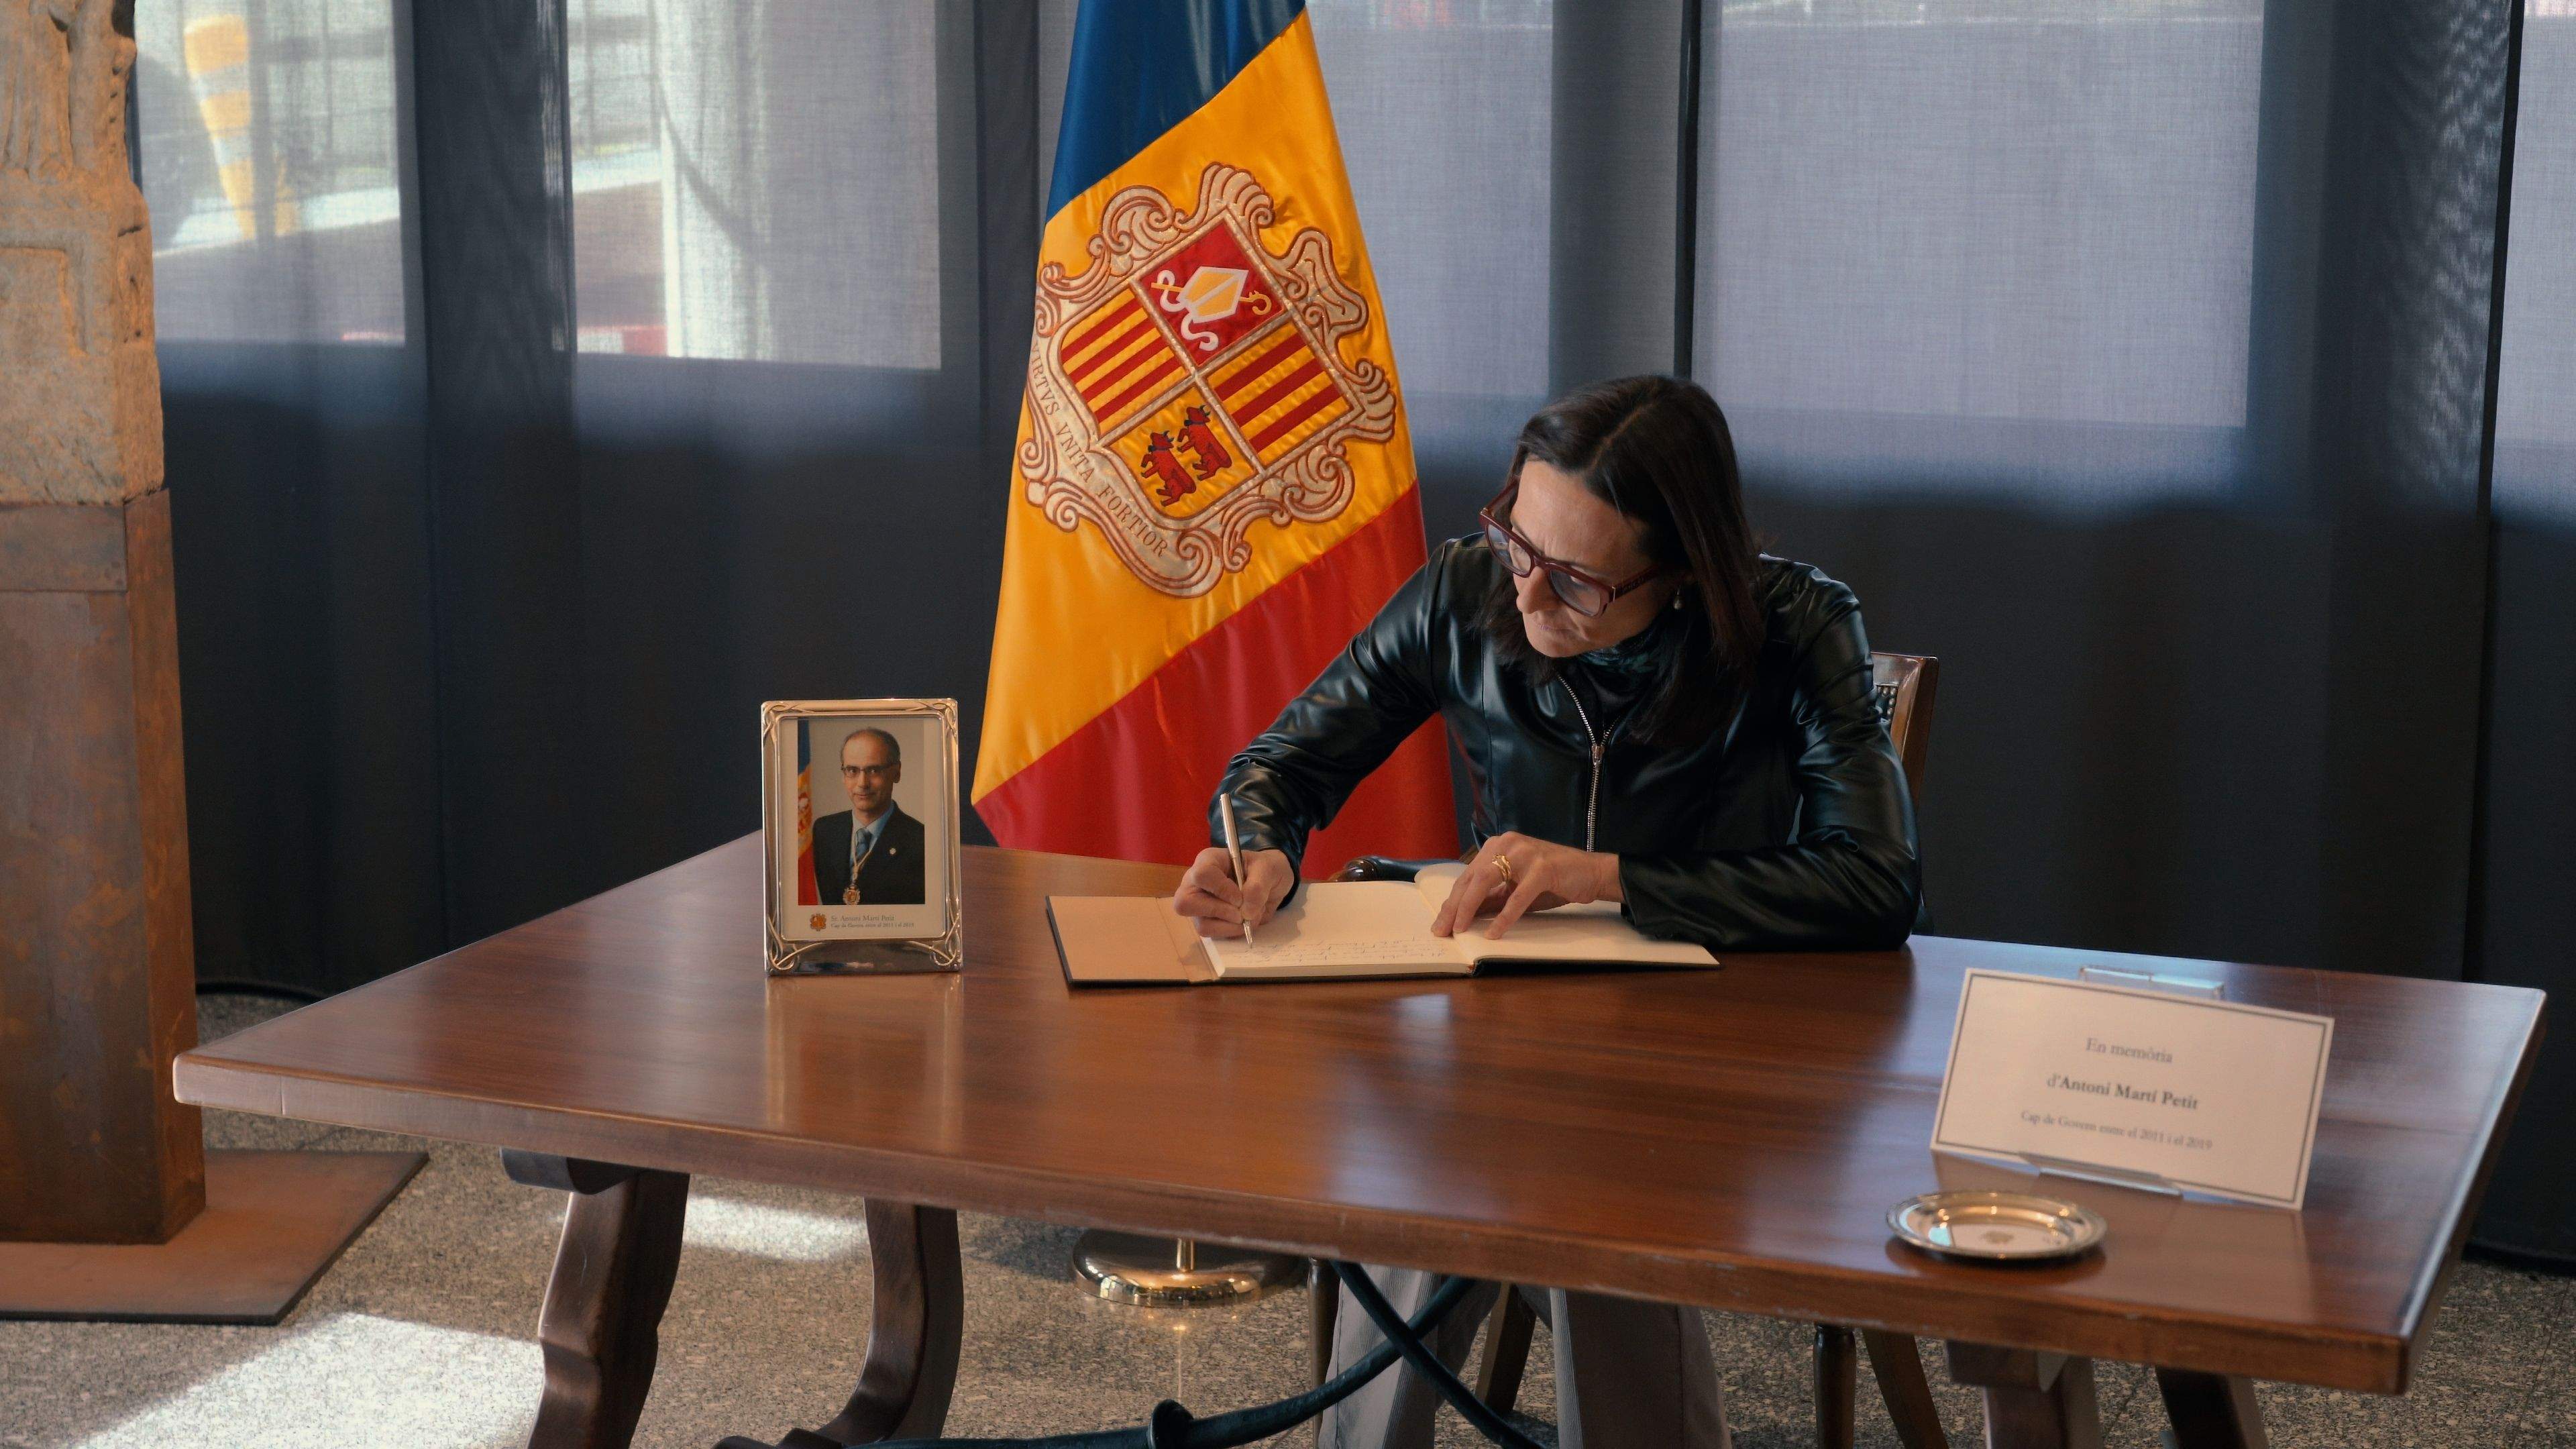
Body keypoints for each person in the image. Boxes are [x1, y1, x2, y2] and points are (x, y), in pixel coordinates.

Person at [1171, 374, 1921, 1449]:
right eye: (1518, 543)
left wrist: (1609, 877)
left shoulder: (1795, 624)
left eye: (1574, 581)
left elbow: (1877, 879)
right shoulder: (1466, 588)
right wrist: (1261, 856)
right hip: (1502, 1038)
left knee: (1584, 1199)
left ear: (1684, 572)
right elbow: (1282, 766)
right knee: (1433, 1183)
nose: (1524, 600)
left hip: (1711, 1051)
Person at [811, 728, 926, 906]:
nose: (862, 783)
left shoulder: (921, 841)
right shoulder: (824, 831)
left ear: (896, 773)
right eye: (852, 770)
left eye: (873, 770)